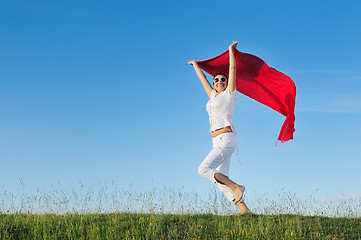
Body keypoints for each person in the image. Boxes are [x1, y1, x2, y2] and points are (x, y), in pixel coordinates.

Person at [188, 41, 251, 215]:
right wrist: (195, 65)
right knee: (219, 179)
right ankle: (243, 209)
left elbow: (232, 70)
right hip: (216, 142)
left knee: (203, 169)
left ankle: (237, 187)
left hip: (226, 139)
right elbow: (203, 79)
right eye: (217, 80)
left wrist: (231, 51)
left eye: (223, 80)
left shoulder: (229, 96)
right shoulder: (212, 96)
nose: (220, 81)